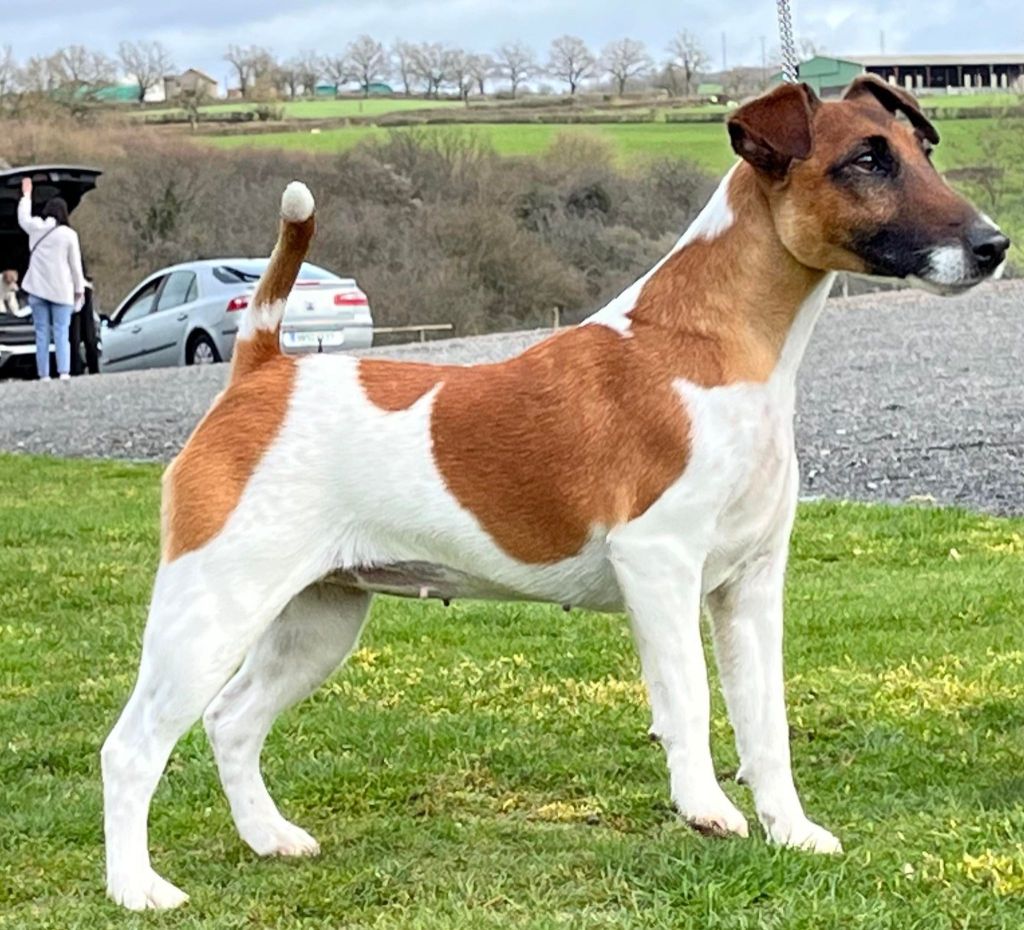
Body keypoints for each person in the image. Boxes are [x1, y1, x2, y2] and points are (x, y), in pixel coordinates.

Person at [17, 177, 85, 381]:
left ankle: (44, 375)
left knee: (41, 333)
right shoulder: (69, 235)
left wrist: (26, 195)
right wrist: (79, 290)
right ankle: (64, 372)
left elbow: (23, 218)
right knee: (61, 333)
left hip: (37, 289)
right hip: (61, 291)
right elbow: (75, 266)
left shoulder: (36, 228)